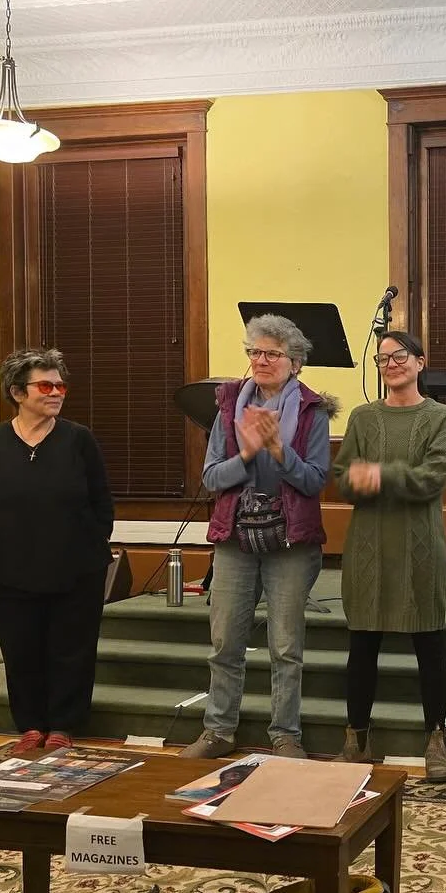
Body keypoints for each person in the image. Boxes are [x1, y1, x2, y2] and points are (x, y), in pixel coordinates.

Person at [180, 314, 335, 760]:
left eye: (273, 354)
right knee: (225, 640)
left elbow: (314, 481)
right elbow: (212, 477)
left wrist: (278, 452)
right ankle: (218, 731)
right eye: (255, 352)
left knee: (286, 646)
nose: (262, 361)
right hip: (235, 536)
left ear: (296, 362)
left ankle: (286, 735)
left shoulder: (311, 411)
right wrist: (247, 453)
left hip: (291, 538)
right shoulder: (228, 406)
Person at [0, 348, 115, 755]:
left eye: (60, 385)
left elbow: (102, 502)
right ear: (17, 392)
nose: (56, 392)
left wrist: (93, 543)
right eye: (45, 385)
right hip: (5, 569)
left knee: (72, 648)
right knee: (20, 648)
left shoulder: (78, 439)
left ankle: (64, 724)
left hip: (74, 568)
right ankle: (30, 724)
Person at [331, 330, 446, 781]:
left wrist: (379, 475)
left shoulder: (442, 417)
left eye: (399, 356)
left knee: (429, 645)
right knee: (362, 646)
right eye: (383, 359)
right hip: (368, 543)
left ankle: (435, 739)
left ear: (421, 362)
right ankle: (356, 739)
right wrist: (358, 479)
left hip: (419, 545)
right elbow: (344, 478)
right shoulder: (363, 419)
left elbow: (434, 478)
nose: (390, 364)